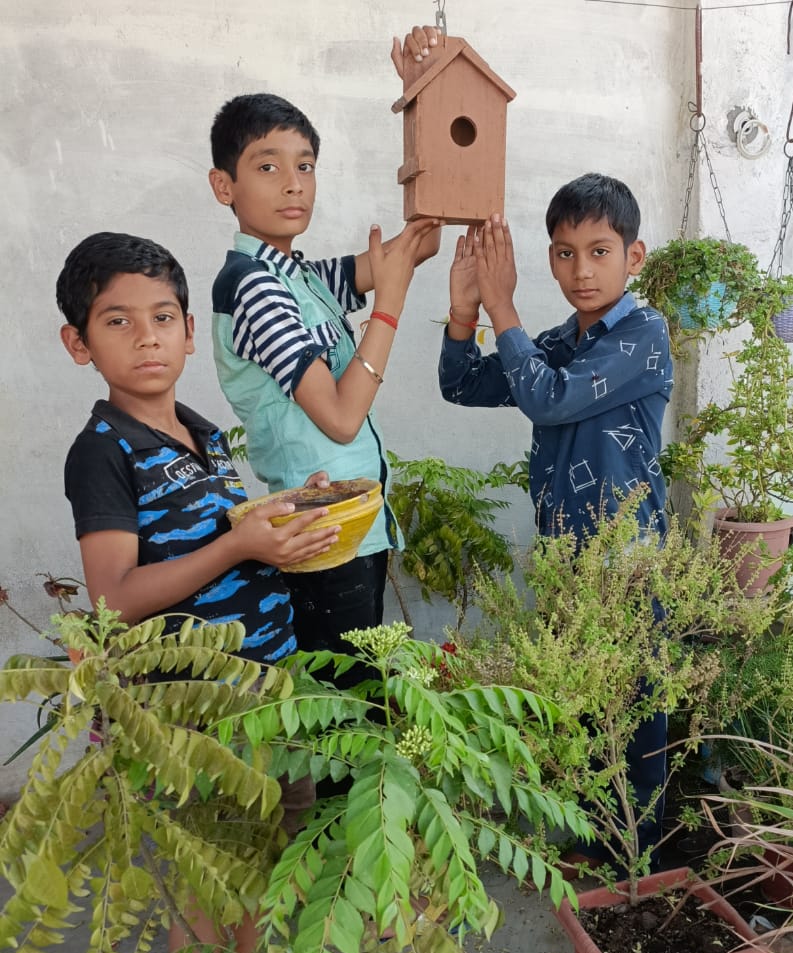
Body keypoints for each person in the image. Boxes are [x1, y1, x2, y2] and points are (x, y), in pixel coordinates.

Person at [57, 231, 335, 953]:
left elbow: (230, 531)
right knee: (206, 895)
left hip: (268, 697)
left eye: (162, 317)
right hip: (192, 718)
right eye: (118, 321)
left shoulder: (200, 431)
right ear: (79, 343)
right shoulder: (103, 453)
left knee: (267, 874)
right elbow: (114, 598)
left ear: (187, 332)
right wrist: (239, 544)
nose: (146, 337)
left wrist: (289, 512)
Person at [437, 173, 675, 871]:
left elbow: (546, 398)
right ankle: (593, 838)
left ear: (634, 257)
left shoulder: (643, 334)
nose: (582, 271)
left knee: (635, 706)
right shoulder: (565, 339)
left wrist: (501, 304)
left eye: (600, 252)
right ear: (550, 258)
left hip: (626, 556)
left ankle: (637, 856)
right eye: (566, 254)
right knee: (581, 699)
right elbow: (464, 384)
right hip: (566, 551)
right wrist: (464, 311)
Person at [207, 39, 441, 676]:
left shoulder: (300, 275)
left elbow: (418, 243)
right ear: (224, 185)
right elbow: (339, 418)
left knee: (358, 701)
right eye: (268, 166)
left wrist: (423, 98)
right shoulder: (252, 285)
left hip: (351, 529)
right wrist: (388, 307)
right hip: (319, 539)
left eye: (306, 166)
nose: (293, 183)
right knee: (341, 712)